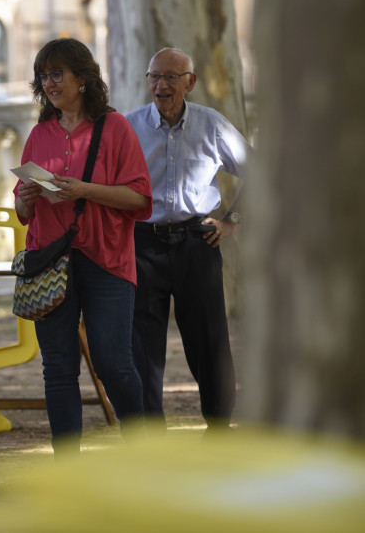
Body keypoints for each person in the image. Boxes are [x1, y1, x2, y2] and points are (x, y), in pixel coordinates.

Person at [14, 38, 151, 456]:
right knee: (58, 368)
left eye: (58, 73)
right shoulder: (39, 134)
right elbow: (21, 208)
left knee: (113, 362)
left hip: (107, 260)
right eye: (44, 76)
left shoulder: (115, 127)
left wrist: (84, 190)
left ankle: (143, 449)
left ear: (83, 78)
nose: (50, 83)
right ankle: (67, 468)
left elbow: (140, 199)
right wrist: (26, 198)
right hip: (49, 261)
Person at [126, 48, 250, 433]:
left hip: (198, 243)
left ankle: (219, 426)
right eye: (154, 77)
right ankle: (149, 435)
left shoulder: (212, 125)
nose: (160, 85)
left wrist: (230, 221)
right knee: (142, 344)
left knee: (209, 340)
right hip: (142, 243)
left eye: (170, 77)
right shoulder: (129, 127)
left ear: (190, 82)